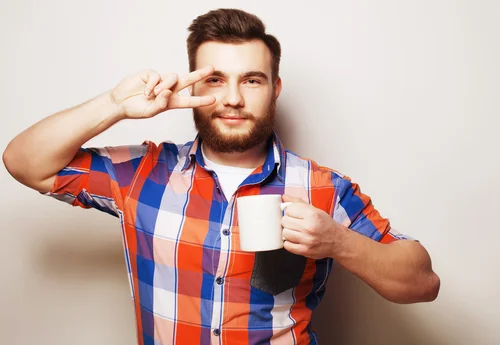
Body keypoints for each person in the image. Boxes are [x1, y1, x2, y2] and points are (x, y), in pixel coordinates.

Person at [3, 8, 440, 345]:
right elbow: (24, 162)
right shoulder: (140, 174)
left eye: (252, 80)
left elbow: (422, 282)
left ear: (275, 89)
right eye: (214, 79)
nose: (232, 99)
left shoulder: (324, 188)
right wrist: (115, 105)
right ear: (193, 88)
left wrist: (337, 241)